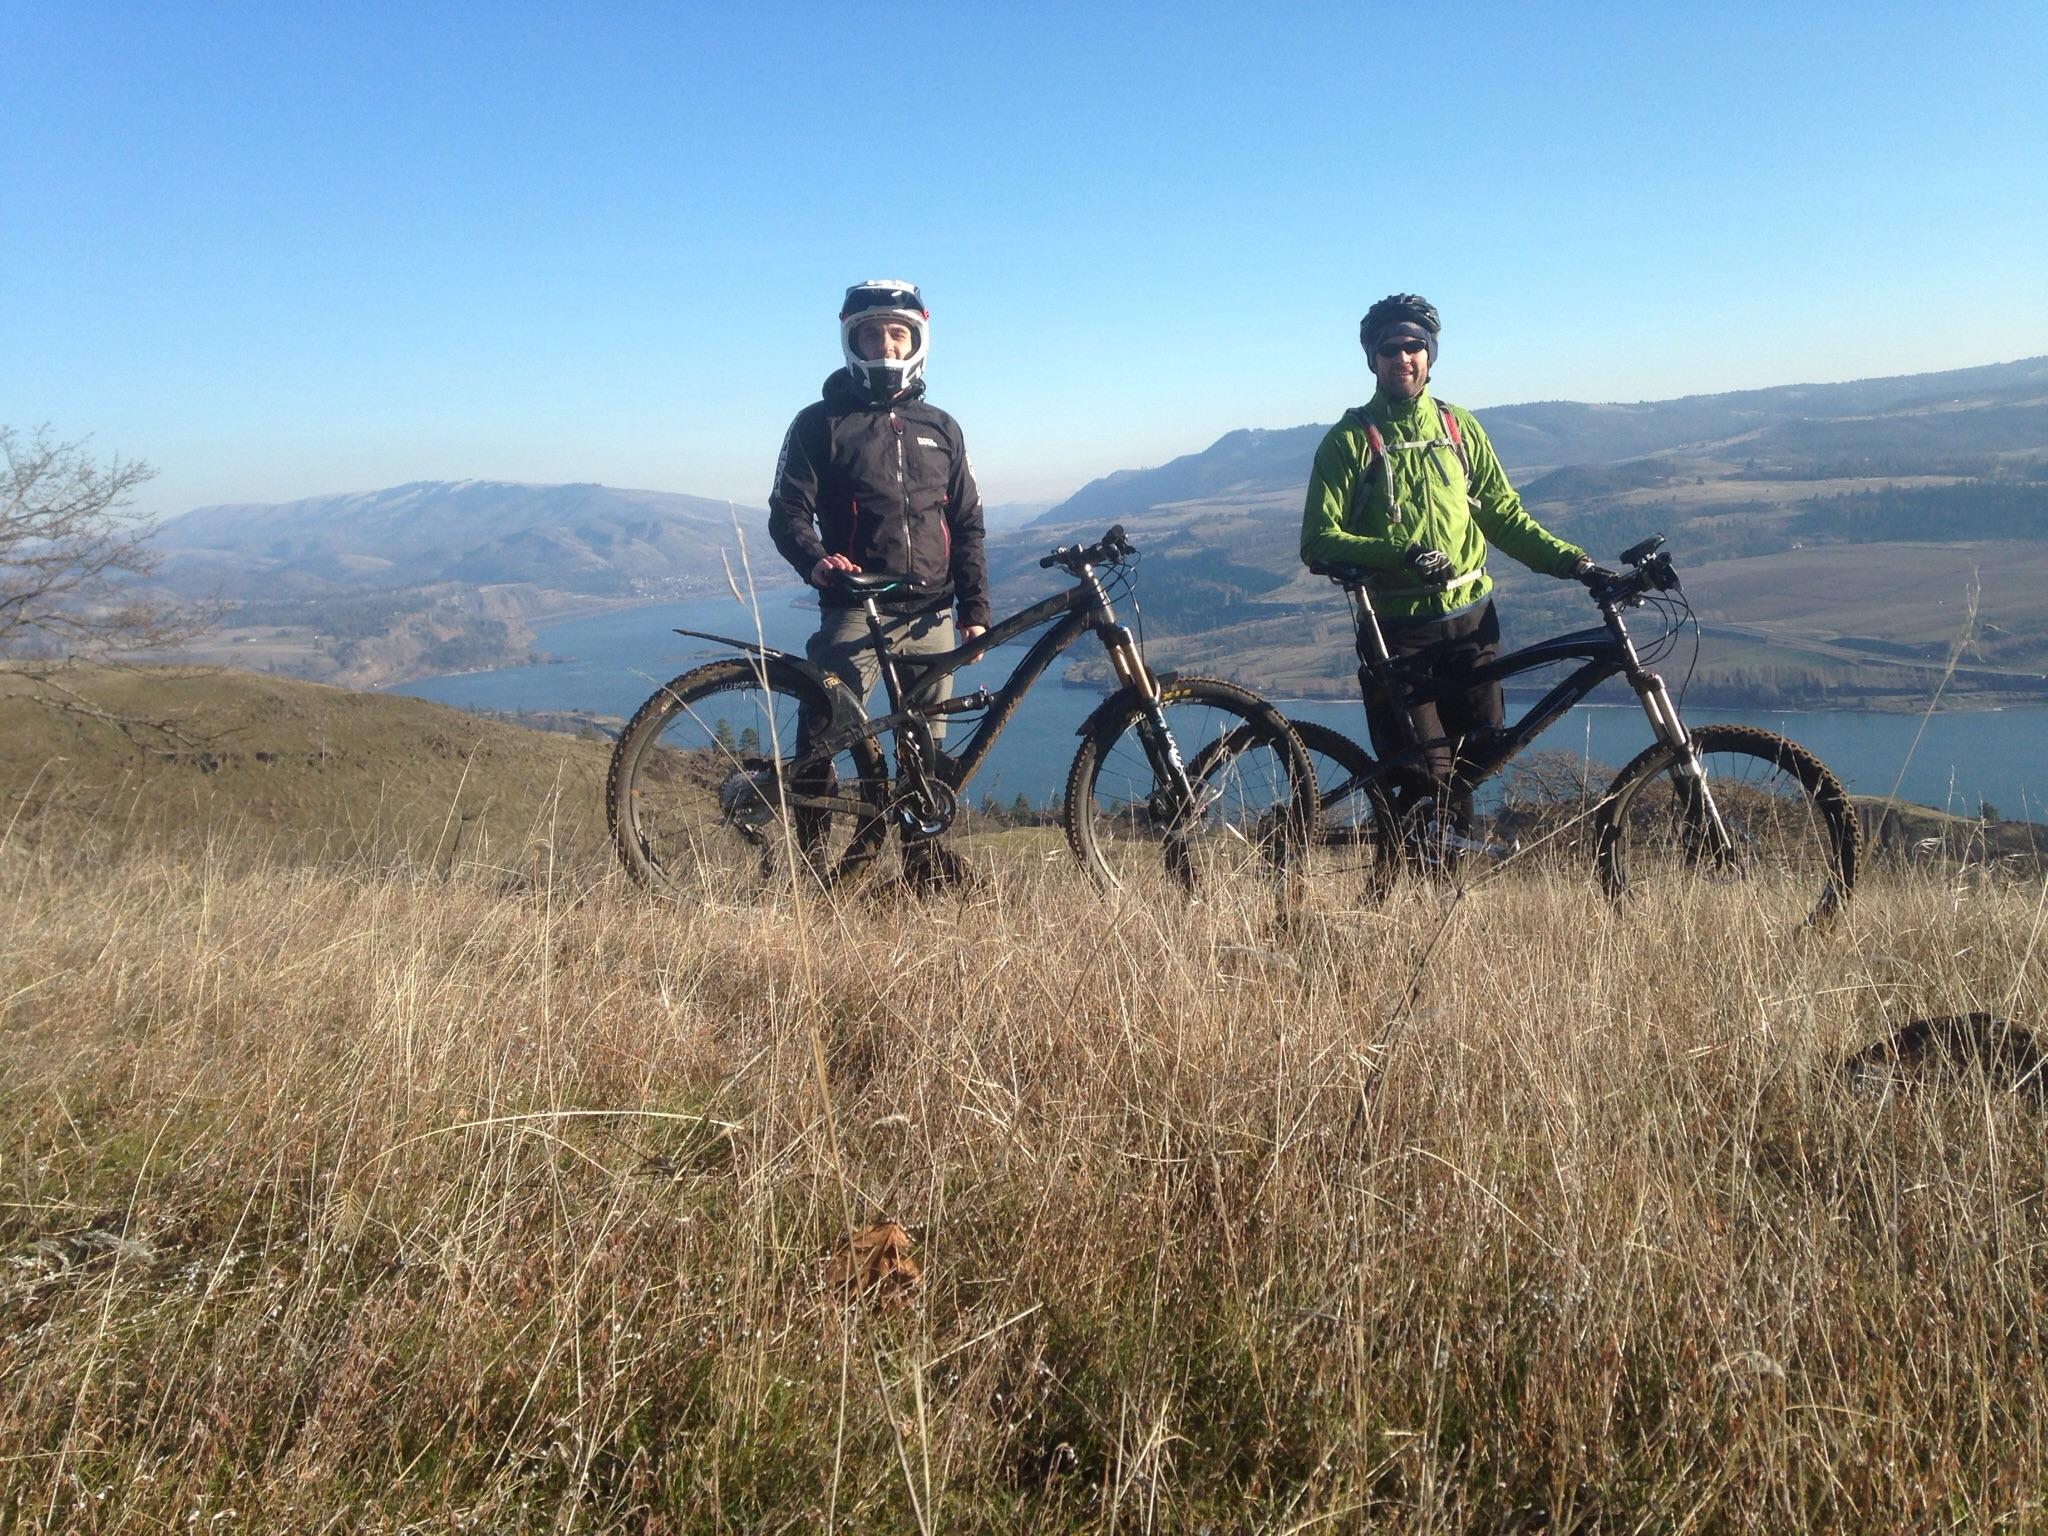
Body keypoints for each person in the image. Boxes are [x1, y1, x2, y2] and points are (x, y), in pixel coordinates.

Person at [1299, 293, 1611, 836]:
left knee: (1479, 757)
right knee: (1427, 776)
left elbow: (1507, 518)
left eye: (1414, 346)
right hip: (1400, 632)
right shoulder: (1349, 441)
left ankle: (1437, 872)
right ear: (1372, 359)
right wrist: (1401, 554)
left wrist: (1578, 564)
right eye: (1390, 348)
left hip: (1472, 625)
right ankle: (1415, 879)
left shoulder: (1456, 428)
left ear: (1430, 353)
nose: (1404, 358)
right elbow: (1318, 540)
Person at [767, 279, 989, 883]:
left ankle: (919, 866)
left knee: (927, 751)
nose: (885, 347)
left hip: (935, 616)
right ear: (851, 340)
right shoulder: (820, 423)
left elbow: (965, 522)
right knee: (824, 734)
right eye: (871, 334)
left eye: (896, 334)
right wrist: (815, 558)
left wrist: (976, 609)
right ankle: (809, 866)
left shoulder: (941, 426)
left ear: (916, 339)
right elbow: (787, 511)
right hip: (853, 611)